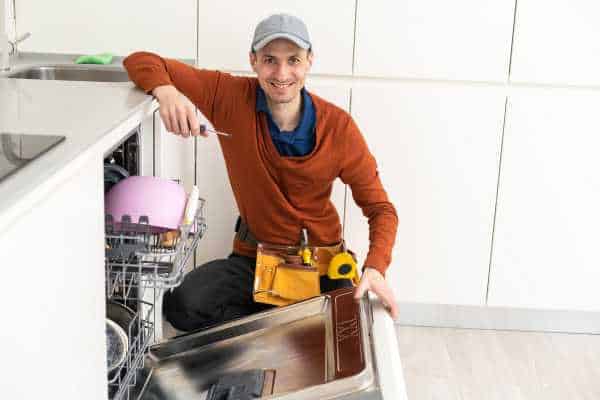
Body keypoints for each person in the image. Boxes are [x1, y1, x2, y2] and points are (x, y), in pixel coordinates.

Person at [124, 13, 399, 332]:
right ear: (253, 61)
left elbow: (381, 210)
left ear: (309, 61)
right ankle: (273, 326)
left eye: (293, 60)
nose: (282, 73)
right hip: (254, 262)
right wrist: (168, 93)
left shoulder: (339, 128)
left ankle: (277, 325)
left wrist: (376, 267)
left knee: (346, 331)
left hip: (319, 268)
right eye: (270, 60)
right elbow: (140, 60)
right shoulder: (227, 95)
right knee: (182, 306)